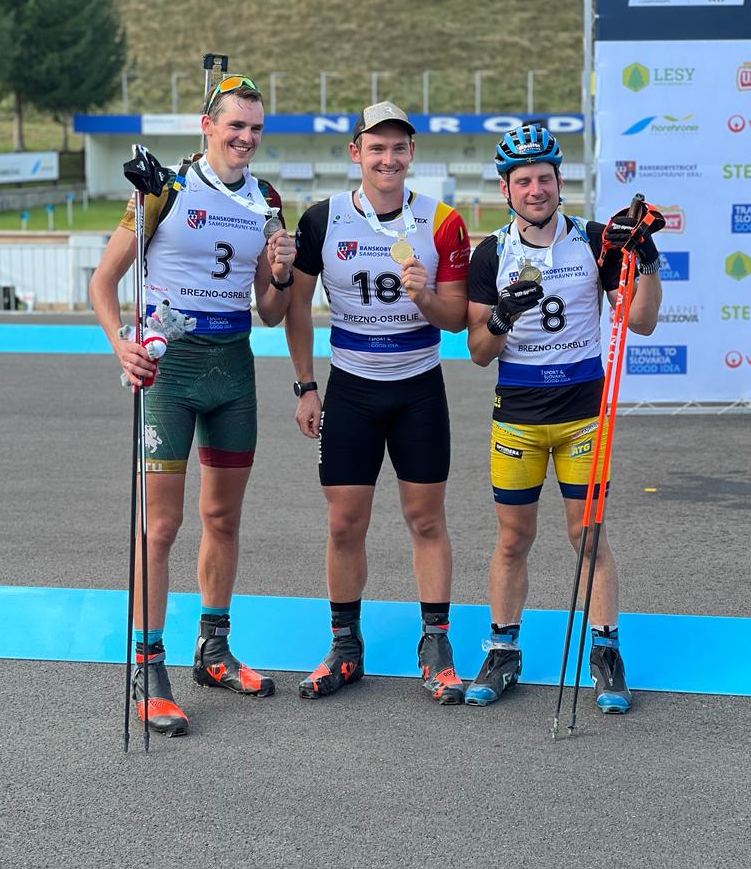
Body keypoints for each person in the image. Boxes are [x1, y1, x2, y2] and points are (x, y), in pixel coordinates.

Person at [90, 74, 296, 737]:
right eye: (235, 126)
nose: (246, 139)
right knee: (162, 526)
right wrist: (121, 343)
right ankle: (147, 666)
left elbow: (270, 313)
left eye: (256, 130)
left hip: (232, 368)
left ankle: (213, 649)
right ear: (207, 126)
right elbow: (103, 280)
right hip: (170, 369)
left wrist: (284, 271)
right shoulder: (165, 188)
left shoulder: (266, 200)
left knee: (224, 519)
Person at [465, 123, 663, 712]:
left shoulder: (597, 241)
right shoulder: (491, 253)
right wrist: (501, 317)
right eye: (522, 180)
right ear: (506, 189)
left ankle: (605, 655)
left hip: (583, 416)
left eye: (544, 178)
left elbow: (642, 320)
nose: (535, 189)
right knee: (513, 537)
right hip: (519, 416)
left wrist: (646, 259)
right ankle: (503, 651)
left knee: (588, 537)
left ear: (560, 182)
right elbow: (478, 351)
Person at [285, 101, 470, 703]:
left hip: (418, 387)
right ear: (356, 153)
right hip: (352, 391)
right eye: (376, 148)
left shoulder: (443, 222)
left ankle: (436, 646)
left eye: (398, 148)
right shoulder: (322, 219)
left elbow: (455, 322)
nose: (387, 159)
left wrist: (424, 297)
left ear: (411, 153)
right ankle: (345, 647)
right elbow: (295, 309)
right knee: (344, 524)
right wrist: (306, 384)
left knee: (425, 520)